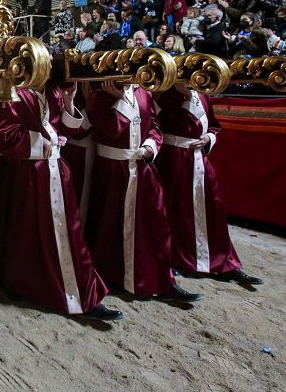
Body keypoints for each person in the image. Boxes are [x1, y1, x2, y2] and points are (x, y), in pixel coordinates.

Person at [0, 80, 122, 321]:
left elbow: (68, 130)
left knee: (67, 232)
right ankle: (34, 284)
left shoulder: (54, 91)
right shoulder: (15, 93)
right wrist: (45, 143)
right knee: (31, 231)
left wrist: (70, 102)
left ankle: (83, 291)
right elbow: (5, 136)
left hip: (55, 169)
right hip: (32, 172)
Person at [83, 81, 202, 303]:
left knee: (154, 226)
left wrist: (151, 145)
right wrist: (120, 101)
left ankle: (161, 280)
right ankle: (113, 276)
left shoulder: (143, 93)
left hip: (141, 167)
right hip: (113, 170)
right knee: (109, 225)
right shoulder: (100, 96)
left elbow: (154, 125)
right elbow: (112, 129)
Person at [156, 86, 262, 284]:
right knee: (176, 210)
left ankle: (224, 262)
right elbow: (159, 119)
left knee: (213, 209)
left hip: (199, 160)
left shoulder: (203, 94)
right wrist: (182, 97)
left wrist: (208, 137)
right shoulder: (166, 94)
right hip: (174, 158)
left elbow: (213, 125)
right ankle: (177, 259)